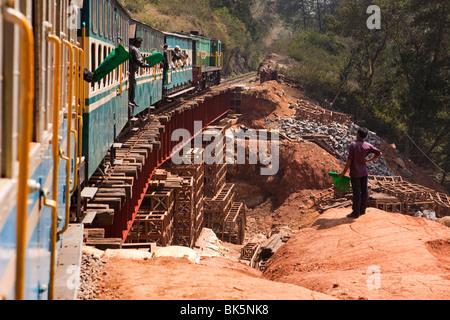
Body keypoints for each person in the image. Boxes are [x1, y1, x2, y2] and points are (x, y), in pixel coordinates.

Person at [339, 127, 383, 218]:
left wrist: (344, 172)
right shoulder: (367, 145)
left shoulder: (353, 145)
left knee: (356, 193)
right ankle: (362, 210)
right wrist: (369, 160)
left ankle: (355, 213)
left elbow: (349, 160)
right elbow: (379, 153)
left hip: (355, 172)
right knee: (364, 191)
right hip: (364, 172)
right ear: (365, 136)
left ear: (358, 134)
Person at [129, 37, 150, 108]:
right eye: (140, 44)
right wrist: (147, 65)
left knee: (131, 85)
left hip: (129, 69)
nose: (140, 46)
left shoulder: (129, 47)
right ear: (137, 43)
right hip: (131, 70)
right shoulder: (135, 49)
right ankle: (131, 100)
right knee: (132, 85)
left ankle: (131, 100)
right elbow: (139, 61)